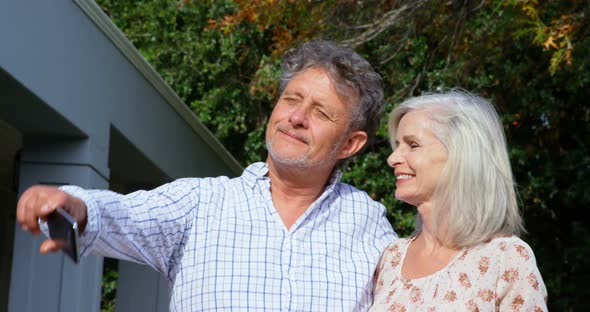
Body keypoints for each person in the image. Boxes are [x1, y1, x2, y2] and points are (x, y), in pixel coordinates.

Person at [16, 40, 397, 311]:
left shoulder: (369, 225)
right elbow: (119, 214)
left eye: (320, 112)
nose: (296, 117)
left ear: (350, 144)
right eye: (292, 99)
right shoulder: (201, 203)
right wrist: (71, 206)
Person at [370, 90, 547, 311]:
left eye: (413, 145)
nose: (392, 158)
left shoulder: (505, 259)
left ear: (461, 155)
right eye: (397, 146)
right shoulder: (392, 257)